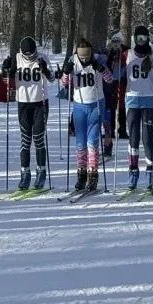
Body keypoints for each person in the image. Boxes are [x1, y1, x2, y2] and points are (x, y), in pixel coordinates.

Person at [61, 39, 113, 192]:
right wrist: (65, 71)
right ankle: (81, 174)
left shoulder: (98, 59)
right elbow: (64, 84)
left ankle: (93, 175)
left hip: (96, 104)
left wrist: (102, 69)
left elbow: (110, 79)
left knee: (93, 143)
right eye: (81, 57)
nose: (84, 60)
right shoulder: (73, 61)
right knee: (80, 143)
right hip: (79, 106)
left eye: (86, 57)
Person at [3, 36, 54, 191]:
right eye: (28, 56)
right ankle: (25, 173)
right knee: (25, 140)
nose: (31, 58)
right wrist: (8, 71)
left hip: (40, 103)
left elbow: (52, 78)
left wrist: (44, 69)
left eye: (32, 55)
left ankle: (41, 171)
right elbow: (6, 81)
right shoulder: (17, 58)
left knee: (39, 139)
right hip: (23, 103)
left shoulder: (42, 57)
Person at [123, 25, 153, 192]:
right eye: (138, 38)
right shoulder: (127, 54)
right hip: (132, 101)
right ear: (134, 39)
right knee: (133, 139)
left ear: (148, 38)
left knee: (148, 139)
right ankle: (133, 171)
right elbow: (116, 76)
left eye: (144, 38)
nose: (141, 41)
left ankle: (150, 172)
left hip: (149, 100)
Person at [103, 31, 128, 152]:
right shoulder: (108, 51)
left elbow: (127, 64)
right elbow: (106, 65)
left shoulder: (126, 51)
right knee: (111, 106)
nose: (116, 44)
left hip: (122, 80)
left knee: (121, 105)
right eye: (114, 41)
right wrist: (111, 55)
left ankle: (122, 130)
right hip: (111, 81)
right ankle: (111, 130)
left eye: (118, 41)